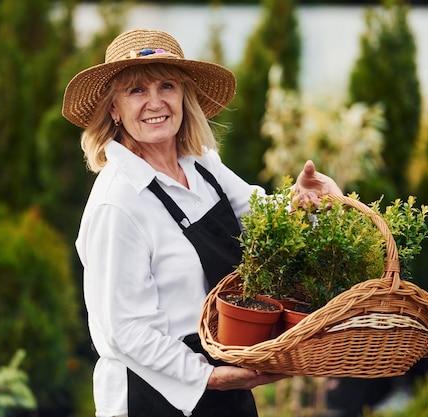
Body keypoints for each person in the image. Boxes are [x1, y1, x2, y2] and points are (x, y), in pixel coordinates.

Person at [62, 28, 342, 417]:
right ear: (113, 109)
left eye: (167, 86)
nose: (155, 102)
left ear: (183, 96)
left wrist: (305, 200)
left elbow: (264, 219)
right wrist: (208, 377)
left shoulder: (202, 165)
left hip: (224, 378)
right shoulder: (118, 202)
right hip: (156, 394)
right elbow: (126, 332)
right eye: (136, 91)